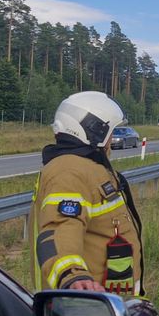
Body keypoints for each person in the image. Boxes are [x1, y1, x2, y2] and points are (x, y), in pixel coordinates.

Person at [31, 91, 144, 295]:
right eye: (110, 132)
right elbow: (60, 228)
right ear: (94, 131)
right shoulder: (69, 172)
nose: (112, 139)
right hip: (87, 307)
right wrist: (73, 275)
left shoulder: (88, 167)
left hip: (106, 301)